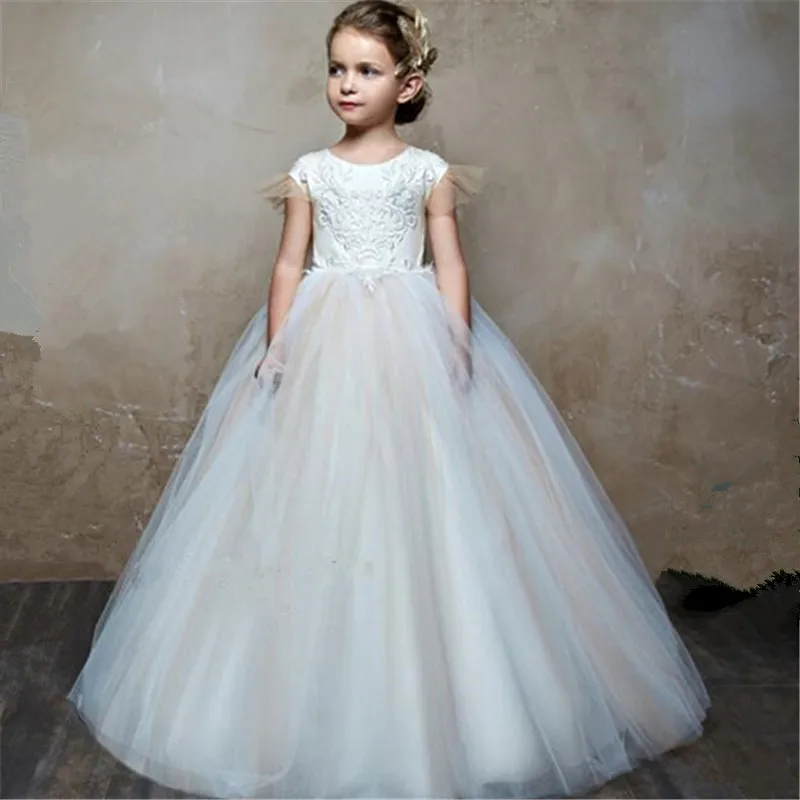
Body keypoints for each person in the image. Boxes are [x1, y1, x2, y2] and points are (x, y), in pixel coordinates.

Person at [67, 1, 710, 797]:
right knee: (313, 496)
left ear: (406, 86)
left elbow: (450, 264)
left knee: (432, 498)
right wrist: (277, 346)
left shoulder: (426, 172)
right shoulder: (311, 170)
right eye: (337, 68)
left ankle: (460, 715)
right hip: (324, 339)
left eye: (366, 70)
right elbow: (288, 265)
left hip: (412, 342)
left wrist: (456, 339)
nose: (346, 83)